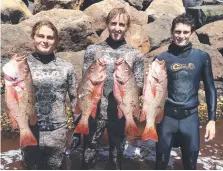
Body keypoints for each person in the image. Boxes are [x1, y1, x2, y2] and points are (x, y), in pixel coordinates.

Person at [80, 7, 144, 169]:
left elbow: (139, 86)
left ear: (127, 27)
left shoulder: (135, 55)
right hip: (95, 113)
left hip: (120, 115)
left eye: (122, 25)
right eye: (113, 23)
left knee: (116, 160)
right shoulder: (93, 50)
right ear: (107, 24)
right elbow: (84, 85)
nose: (117, 28)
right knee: (88, 158)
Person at [154, 13, 217, 170]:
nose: (181, 36)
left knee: (190, 165)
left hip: (190, 118)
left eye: (185, 32)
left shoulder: (202, 57)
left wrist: (211, 120)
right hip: (167, 118)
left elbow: (210, 88)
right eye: (177, 32)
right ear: (172, 32)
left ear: (191, 33)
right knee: (160, 164)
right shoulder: (161, 58)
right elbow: (152, 92)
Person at [20, 20, 78, 169]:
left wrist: (78, 129)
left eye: (50, 37)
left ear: (56, 41)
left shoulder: (67, 67)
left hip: (58, 134)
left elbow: (75, 99)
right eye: (41, 36)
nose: (45, 41)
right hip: (30, 132)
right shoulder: (22, 66)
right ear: (33, 37)